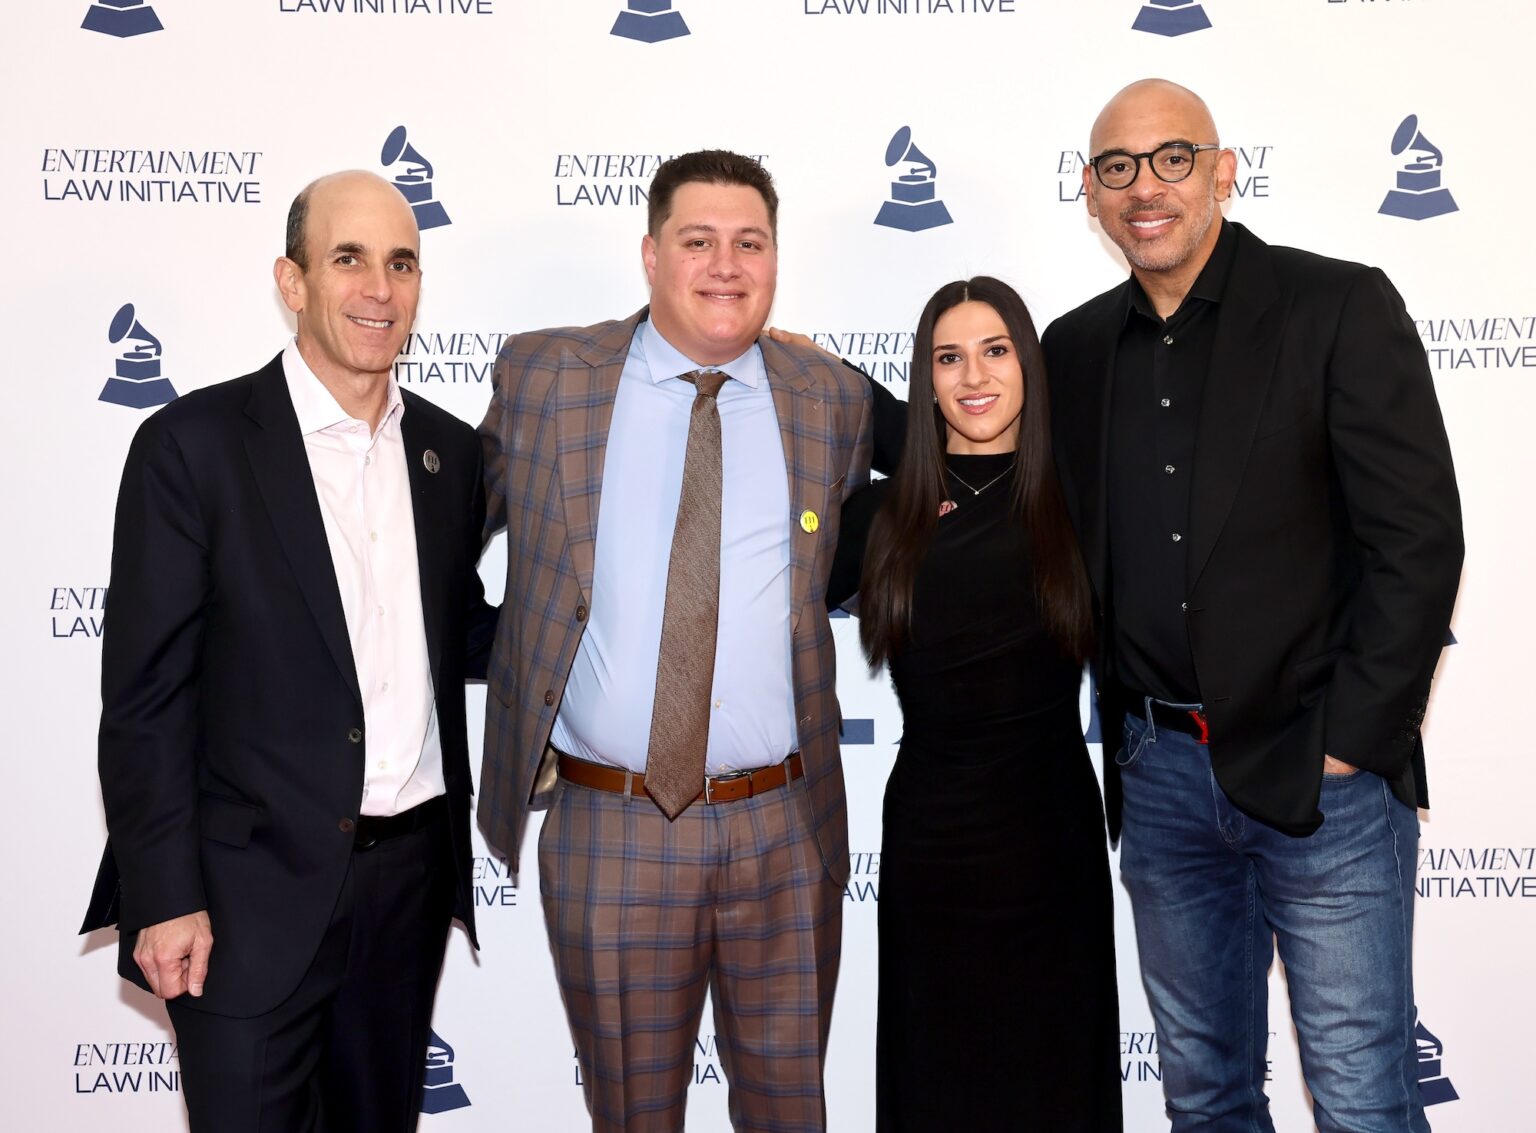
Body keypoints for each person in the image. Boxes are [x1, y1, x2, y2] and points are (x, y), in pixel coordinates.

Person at [1042, 79, 1464, 1131]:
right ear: (1092, 197)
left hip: (1323, 781)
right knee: (1206, 1096)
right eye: (1117, 168)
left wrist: (1354, 738)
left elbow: (1418, 538)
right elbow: (986, 472)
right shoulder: (1075, 348)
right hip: (1163, 780)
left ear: (1224, 171)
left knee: (1364, 1092)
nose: (1147, 187)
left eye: (1172, 158)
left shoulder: (1336, 305)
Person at [79, 170, 492, 1133]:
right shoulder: (194, 445)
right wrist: (166, 894)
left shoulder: (449, 453)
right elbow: (145, 701)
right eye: (348, 258)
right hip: (241, 897)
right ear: (292, 281)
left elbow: (460, 625)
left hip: (406, 889)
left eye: (402, 263)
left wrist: (608, 620)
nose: (379, 290)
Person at [476, 150, 871, 1132]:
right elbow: (434, 529)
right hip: (615, 824)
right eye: (698, 241)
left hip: (785, 827)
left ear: (776, 258)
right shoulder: (545, 380)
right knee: (633, 1115)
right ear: (651, 254)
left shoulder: (829, 396)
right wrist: (507, 654)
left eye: (750, 243)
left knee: (791, 1112)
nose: (725, 264)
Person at [826, 277, 1121, 1132]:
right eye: (947, 358)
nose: (973, 375)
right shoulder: (883, 513)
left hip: (1053, 836)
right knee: (939, 1079)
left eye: (995, 350)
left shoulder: (1080, 498)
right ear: (925, 381)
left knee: (1057, 1077)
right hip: (934, 843)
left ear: (1029, 362)